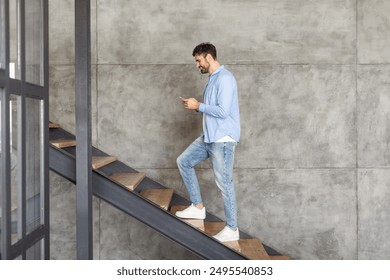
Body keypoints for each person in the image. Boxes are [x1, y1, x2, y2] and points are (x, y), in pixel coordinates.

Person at [176, 42, 241, 242]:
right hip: (210, 136)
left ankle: (232, 229)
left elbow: (223, 111)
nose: (197, 65)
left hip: (222, 139)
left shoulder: (225, 79)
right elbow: (210, 108)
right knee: (184, 161)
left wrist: (199, 105)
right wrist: (196, 106)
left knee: (224, 183)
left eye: (198, 60)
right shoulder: (212, 79)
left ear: (209, 58)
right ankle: (197, 207)